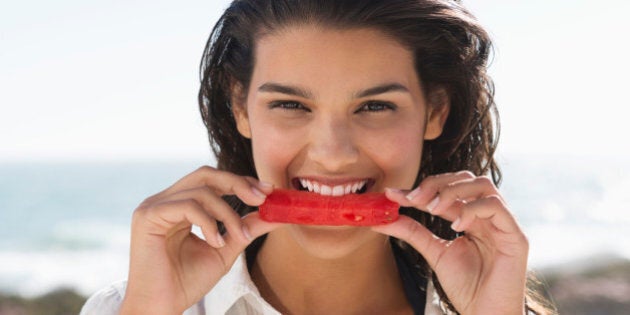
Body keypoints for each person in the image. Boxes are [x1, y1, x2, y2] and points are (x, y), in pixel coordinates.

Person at [81, 0, 556, 314]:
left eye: (375, 106)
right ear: (239, 108)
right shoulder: (134, 308)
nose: (332, 155)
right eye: (290, 105)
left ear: (434, 113)